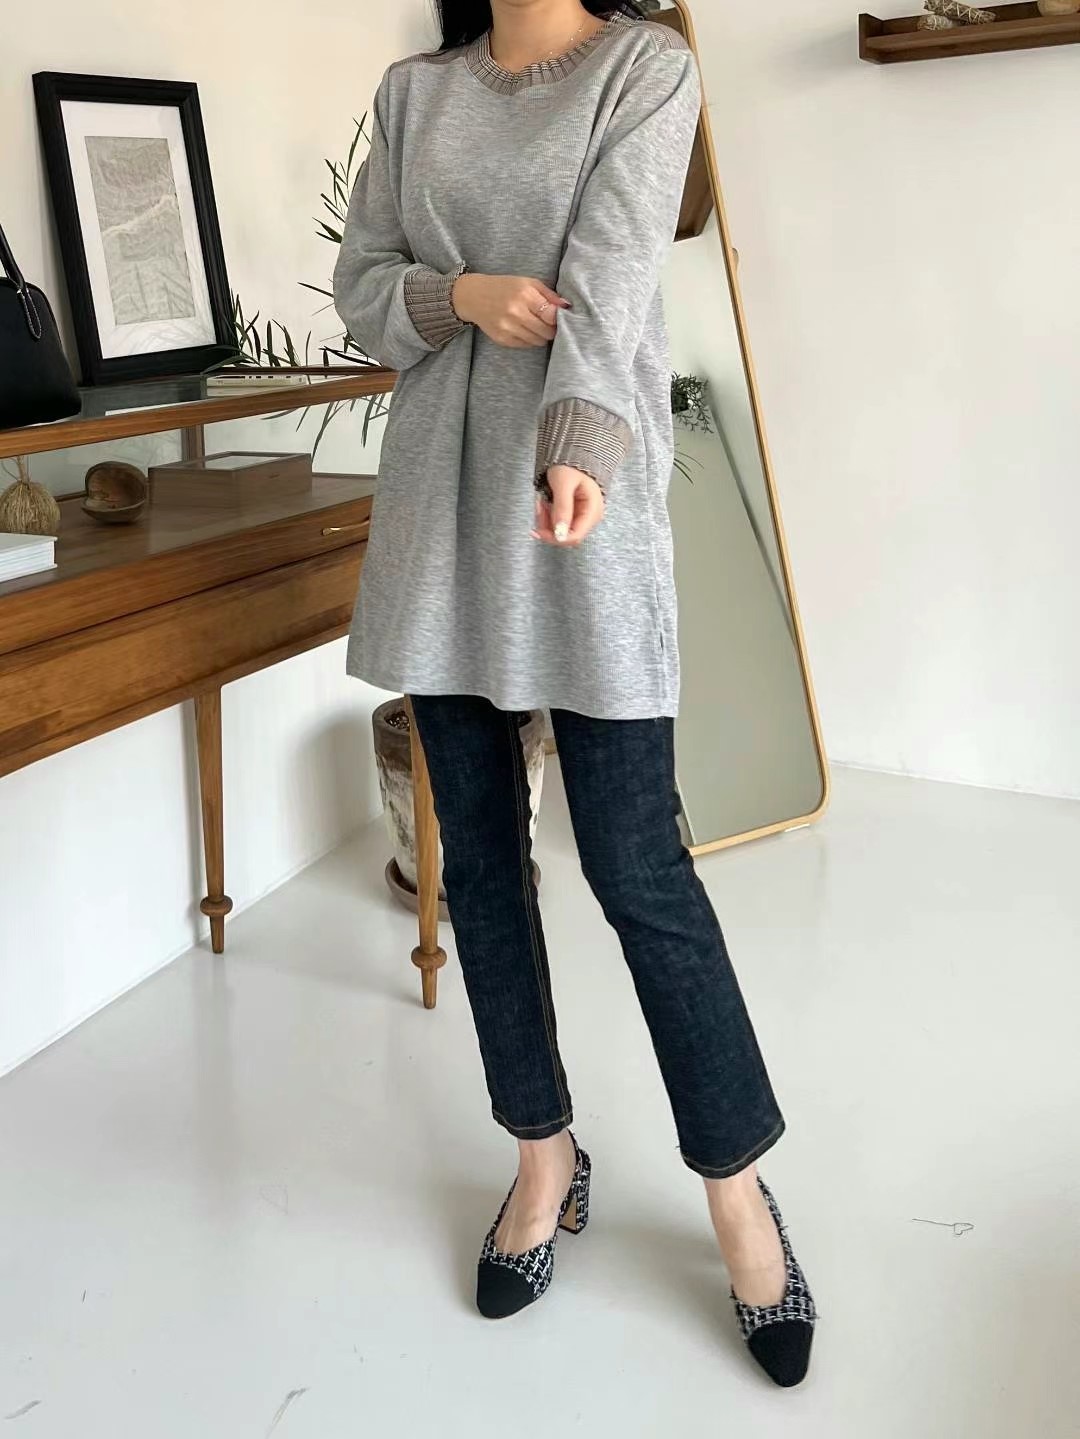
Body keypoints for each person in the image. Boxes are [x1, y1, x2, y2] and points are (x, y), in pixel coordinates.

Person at [333, 0, 816, 1387]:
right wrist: (462, 298)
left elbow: (610, 280)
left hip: (577, 511)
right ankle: (544, 1158)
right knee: (482, 866)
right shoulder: (415, 92)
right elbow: (364, 288)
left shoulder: (643, 68)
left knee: (637, 865)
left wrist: (582, 441)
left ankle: (738, 1193)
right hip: (440, 518)